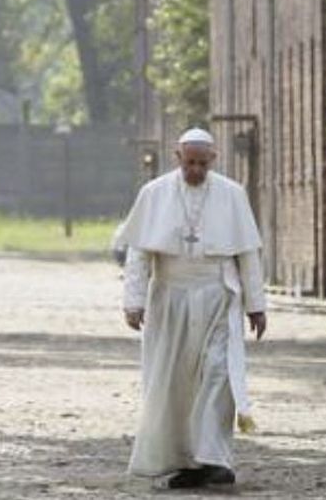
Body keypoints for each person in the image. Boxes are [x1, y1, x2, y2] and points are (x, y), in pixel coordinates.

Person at [116, 128, 267, 489]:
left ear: (213, 159)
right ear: (177, 157)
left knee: (218, 373)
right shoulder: (154, 193)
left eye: (202, 163)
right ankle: (186, 460)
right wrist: (133, 301)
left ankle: (214, 459)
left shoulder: (232, 194)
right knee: (176, 382)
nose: (195, 170)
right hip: (170, 298)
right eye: (189, 163)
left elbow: (248, 255)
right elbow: (139, 254)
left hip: (218, 296)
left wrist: (256, 305)